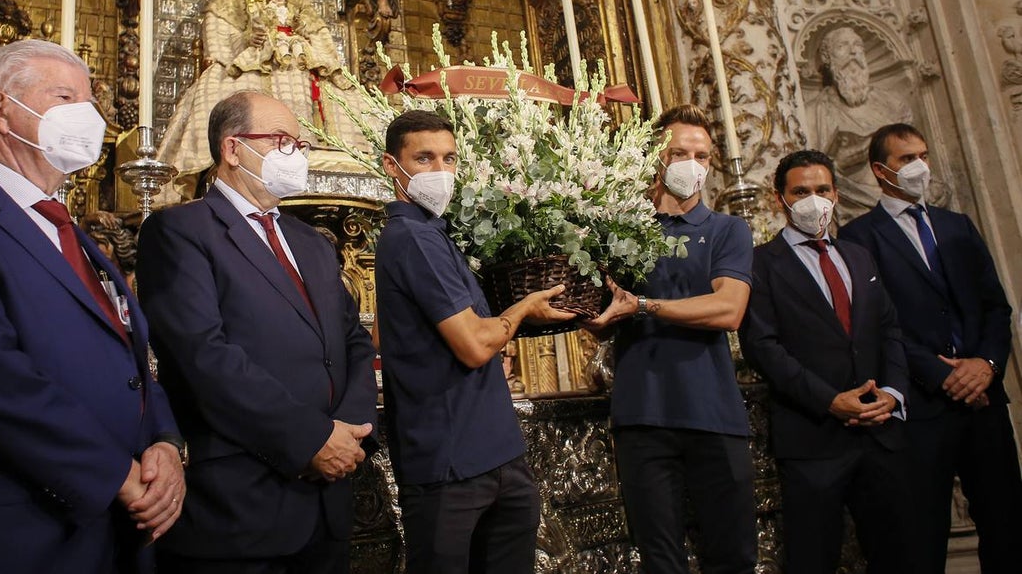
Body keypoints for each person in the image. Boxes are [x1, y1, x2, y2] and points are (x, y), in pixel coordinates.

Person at [0, 39, 184, 573]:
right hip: (10, 535)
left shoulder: (71, 232)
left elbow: (131, 360)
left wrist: (163, 442)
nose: (89, 116)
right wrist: (117, 476)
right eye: (66, 97)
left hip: (113, 535)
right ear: (1, 111)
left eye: (90, 102)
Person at [136, 91, 378, 574]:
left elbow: (353, 342)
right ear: (232, 149)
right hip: (242, 503)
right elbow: (204, 357)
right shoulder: (179, 231)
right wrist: (312, 439)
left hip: (329, 498)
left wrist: (350, 433)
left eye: (303, 145)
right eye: (283, 141)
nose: (298, 154)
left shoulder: (312, 243)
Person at [374, 110, 574, 574]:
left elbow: (386, 334)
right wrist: (523, 308)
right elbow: (473, 345)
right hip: (450, 462)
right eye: (423, 159)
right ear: (391, 165)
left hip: (492, 449)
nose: (440, 172)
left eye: (449, 158)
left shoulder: (429, 235)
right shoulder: (411, 238)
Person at [839, 123, 1022, 574]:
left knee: (1009, 532)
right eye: (907, 159)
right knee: (920, 539)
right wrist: (943, 375)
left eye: (923, 155)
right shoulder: (859, 237)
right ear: (881, 170)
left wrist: (986, 364)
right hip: (921, 408)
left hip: (985, 401)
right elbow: (879, 325)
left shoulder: (956, 225)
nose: (920, 166)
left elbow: (996, 308)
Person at [583, 103, 757, 574]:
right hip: (643, 414)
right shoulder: (618, 229)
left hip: (714, 412)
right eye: (679, 152)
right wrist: (593, 315)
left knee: (734, 555)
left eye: (701, 156)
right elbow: (595, 309)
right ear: (655, 157)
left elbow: (729, 309)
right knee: (660, 560)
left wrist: (644, 305)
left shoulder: (727, 230)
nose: (691, 165)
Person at [739, 150, 912, 574]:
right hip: (812, 440)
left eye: (821, 190)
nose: (813, 200)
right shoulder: (759, 264)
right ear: (779, 199)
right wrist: (830, 400)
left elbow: (889, 329)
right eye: (801, 191)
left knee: (901, 556)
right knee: (814, 559)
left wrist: (892, 393)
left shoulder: (858, 255)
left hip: (880, 434)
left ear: (835, 194)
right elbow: (763, 347)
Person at [157, 0, 352, 203]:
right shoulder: (234, 1)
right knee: (219, 87)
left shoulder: (295, 5)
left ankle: (317, 145)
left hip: (294, 58)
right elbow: (220, 35)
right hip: (252, 59)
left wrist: (304, 41)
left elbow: (317, 33)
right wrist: (249, 38)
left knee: (331, 91)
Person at [805, 26, 912, 220]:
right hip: (850, 205)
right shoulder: (814, 112)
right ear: (827, 59)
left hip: (899, 197)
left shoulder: (892, 104)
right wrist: (839, 164)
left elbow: (912, 155)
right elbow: (807, 172)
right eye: (843, 46)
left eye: (858, 46)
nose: (853, 52)